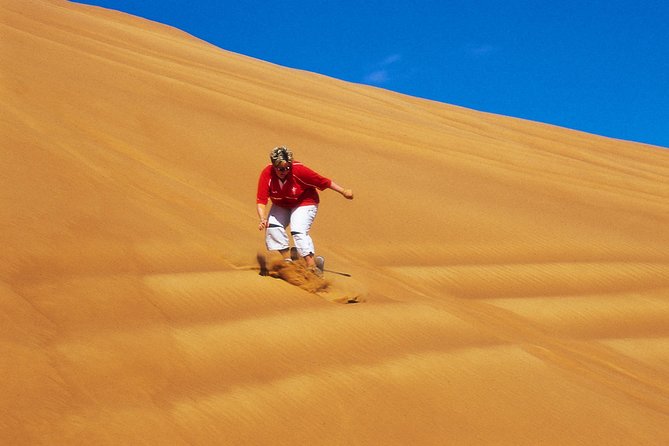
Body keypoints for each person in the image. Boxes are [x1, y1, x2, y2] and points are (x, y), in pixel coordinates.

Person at [256, 146, 353, 273]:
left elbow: (323, 181)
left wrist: (343, 191)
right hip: (281, 203)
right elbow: (261, 200)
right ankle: (288, 261)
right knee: (273, 227)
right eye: (280, 169)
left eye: (287, 167)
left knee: (298, 230)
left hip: (304, 202)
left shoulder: (299, 171)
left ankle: (312, 266)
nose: (284, 171)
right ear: (273, 166)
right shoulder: (267, 174)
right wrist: (263, 218)